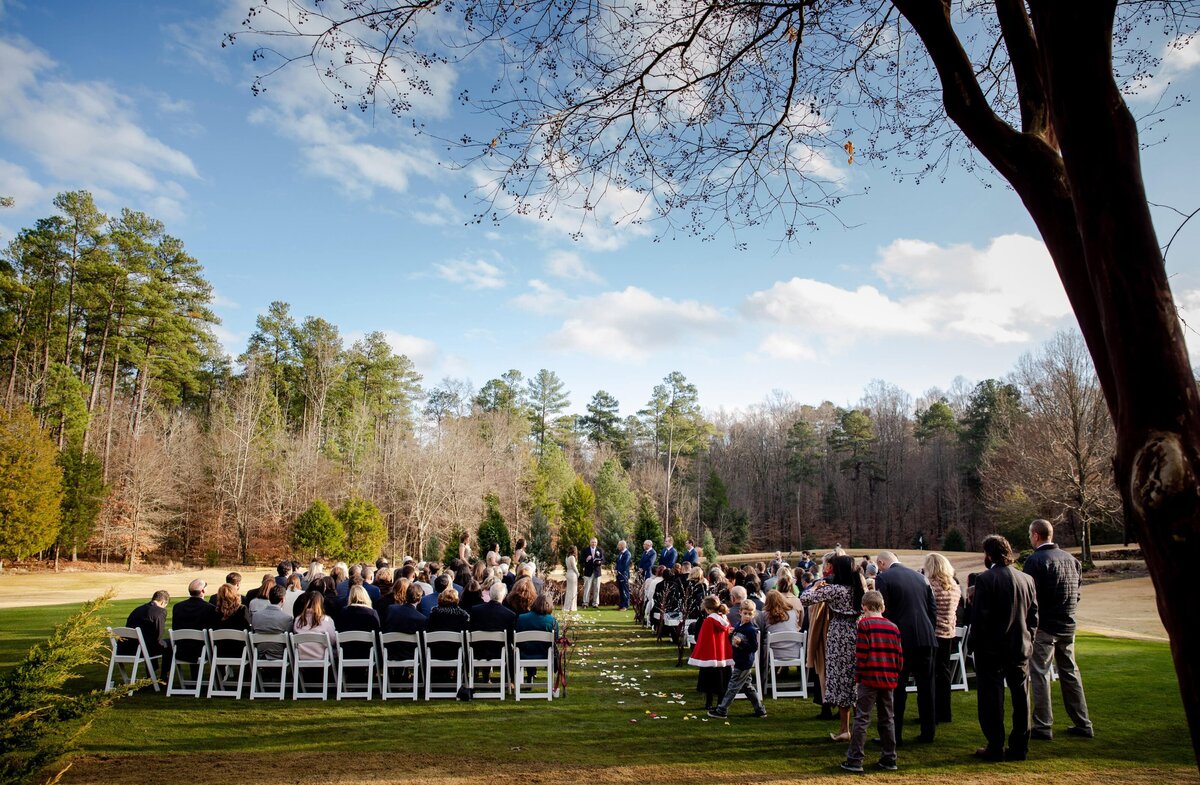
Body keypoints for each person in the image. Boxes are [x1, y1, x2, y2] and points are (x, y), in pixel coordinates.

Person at [968, 534, 1039, 762]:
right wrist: (1029, 638)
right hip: (1020, 645)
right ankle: (1020, 746)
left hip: (991, 649)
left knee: (991, 697)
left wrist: (974, 646)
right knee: (1021, 696)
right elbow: (1033, 616)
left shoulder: (986, 580)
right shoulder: (1026, 579)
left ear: (989, 555)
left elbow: (980, 618)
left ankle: (995, 744)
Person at [1024, 518, 1094, 740]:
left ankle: (1043, 725)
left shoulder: (1035, 561)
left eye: (1030, 535)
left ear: (1036, 535)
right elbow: (1078, 593)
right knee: (1070, 673)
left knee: (1041, 674)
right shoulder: (1072, 561)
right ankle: (1083, 722)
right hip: (1068, 624)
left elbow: (1031, 598)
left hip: (1045, 626)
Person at [875, 550, 938, 745]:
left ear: (881, 563)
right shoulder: (920, 577)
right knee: (926, 687)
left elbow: (885, 611)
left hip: (901, 638)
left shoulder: (883, 578)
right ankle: (928, 733)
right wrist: (929, 630)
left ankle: (895, 735)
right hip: (926, 636)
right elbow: (932, 609)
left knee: (897, 688)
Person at [801, 554, 865, 741]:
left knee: (841, 680)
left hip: (839, 635)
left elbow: (805, 599)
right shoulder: (859, 589)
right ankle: (858, 727)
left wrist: (815, 586)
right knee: (855, 679)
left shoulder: (835, 590)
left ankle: (845, 728)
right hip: (857, 633)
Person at [840, 591, 904, 773]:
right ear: (883, 607)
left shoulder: (865, 625)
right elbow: (899, 656)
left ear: (864, 607)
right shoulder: (893, 627)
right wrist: (895, 674)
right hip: (888, 677)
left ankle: (855, 759)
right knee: (887, 718)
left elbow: (862, 654)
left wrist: (858, 678)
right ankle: (889, 757)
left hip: (869, 677)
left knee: (862, 718)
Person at [708, 599, 768, 718]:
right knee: (748, 687)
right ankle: (760, 710)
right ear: (740, 612)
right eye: (745, 613)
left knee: (732, 686)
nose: (747, 616)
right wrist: (730, 635)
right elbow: (732, 643)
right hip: (738, 659)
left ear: (753, 614)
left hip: (744, 662)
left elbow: (754, 647)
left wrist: (741, 643)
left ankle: (722, 710)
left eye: (750, 614)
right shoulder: (737, 626)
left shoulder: (751, 630)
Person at [924, 552, 963, 723]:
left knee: (930, 674)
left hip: (933, 633)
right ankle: (945, 711)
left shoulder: (931, 586)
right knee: (944, 672)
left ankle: (932, 713)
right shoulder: (954, 586)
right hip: (948, 632)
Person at [688, 594, 733, 710]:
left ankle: (708, 703)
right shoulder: (725, 619)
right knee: (722, 681)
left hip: (710, 655)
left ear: (707, 609)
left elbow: (703, 639)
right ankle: (720, 703)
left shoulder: (708, 621)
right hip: (722, 655)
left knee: (708, 682)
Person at [469, 582, 517, 684]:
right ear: (504, 596)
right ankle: (509, 680)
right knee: (511, 649)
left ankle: (486, 677)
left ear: (490, 594)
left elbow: (471, 630)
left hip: (478, 651)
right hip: (501, 652)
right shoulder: (509, 615)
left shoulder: (476, 610)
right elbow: (510, 637)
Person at [120, 590, 171, 675]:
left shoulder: (137, 610)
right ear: (162, 602)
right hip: (142, 650)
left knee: (150, 642)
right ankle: (163, 676)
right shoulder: (160, 612)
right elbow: (159, 634)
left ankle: (151, 675)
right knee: (169, 644)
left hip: (126, 648)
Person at [172, 578, 217, 666]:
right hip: (201, 650)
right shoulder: (209, 608)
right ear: (203, 590)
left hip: (180, 648)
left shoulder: (178, 607)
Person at [516, 593, 559, 683]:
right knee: (536, 646)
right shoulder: (552, 621)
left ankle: (530, 675)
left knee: (529, 646)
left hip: (523, 653)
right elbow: (555, 640)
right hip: (544, 654)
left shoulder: (521, 618)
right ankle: (531, 675)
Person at [336, 585, 382, 662]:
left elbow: (339, 630)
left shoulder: (343, 612)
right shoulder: (372, 613)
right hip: (367, 653)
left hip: (347, 653)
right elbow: (377, 634)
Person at [250, 585, 293, 660]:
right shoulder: (287, 619)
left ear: (269, 598)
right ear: (283, 600)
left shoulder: (256, 616)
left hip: (260, 653)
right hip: (281, 654)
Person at [292, 591, 337, 662]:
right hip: (322, 656)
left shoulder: (298, 620)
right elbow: (333, 640)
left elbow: (295, 635)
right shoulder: (327, 620)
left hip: (301, 657)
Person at [582, 537, 603, 608]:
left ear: (597, 543)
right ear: (590, 543)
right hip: (588, 572)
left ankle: (595, 603)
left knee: (597, 588)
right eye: (592, 542)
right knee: (587, 588)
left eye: (595, 542)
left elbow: (603, 559)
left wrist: (600, 561)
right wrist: (586, 559)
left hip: (597, 572)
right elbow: (581, 560)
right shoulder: (585, 550)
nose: (594, 543)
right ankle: (585, 603)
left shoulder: (599, 550)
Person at [615, 540, 632, 610]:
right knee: (621, 590)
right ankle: (621, 605)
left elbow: (625, 564)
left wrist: (619, 571)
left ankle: (626, 605)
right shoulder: (620, 553)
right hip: (618, 574)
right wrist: (615, 570)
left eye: (619, 545)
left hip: (624, 575)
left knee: (625, 590)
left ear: (622, 545)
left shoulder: (627, 554)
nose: (618, 546)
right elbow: (617, 563)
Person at [563, 545, 580, 612]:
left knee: (569, 591)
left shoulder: (567, 557)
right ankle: (572, 607)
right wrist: (578, 572)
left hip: (568, 573)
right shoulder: (572, 557)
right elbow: (574, 566)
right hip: (572, 574)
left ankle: (567, 606)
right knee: (573, 591)